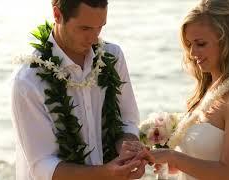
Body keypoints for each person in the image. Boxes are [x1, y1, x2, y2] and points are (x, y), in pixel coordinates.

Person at [10, 0, 150, 179]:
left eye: (100, 27)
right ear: (57, 15)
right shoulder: (28, 81)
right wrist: (105, 174)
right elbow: (43, 166)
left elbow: (127, 120)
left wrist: (130, 151)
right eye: (85, 28)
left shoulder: (112, 56)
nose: (94, 38)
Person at [148, 0, 229, 179]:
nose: (192, 53)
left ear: (227, 41)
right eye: (189, 44)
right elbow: (200, 161)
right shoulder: (206, 91)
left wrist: (173, 156)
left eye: (200, 44)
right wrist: (169, 161)